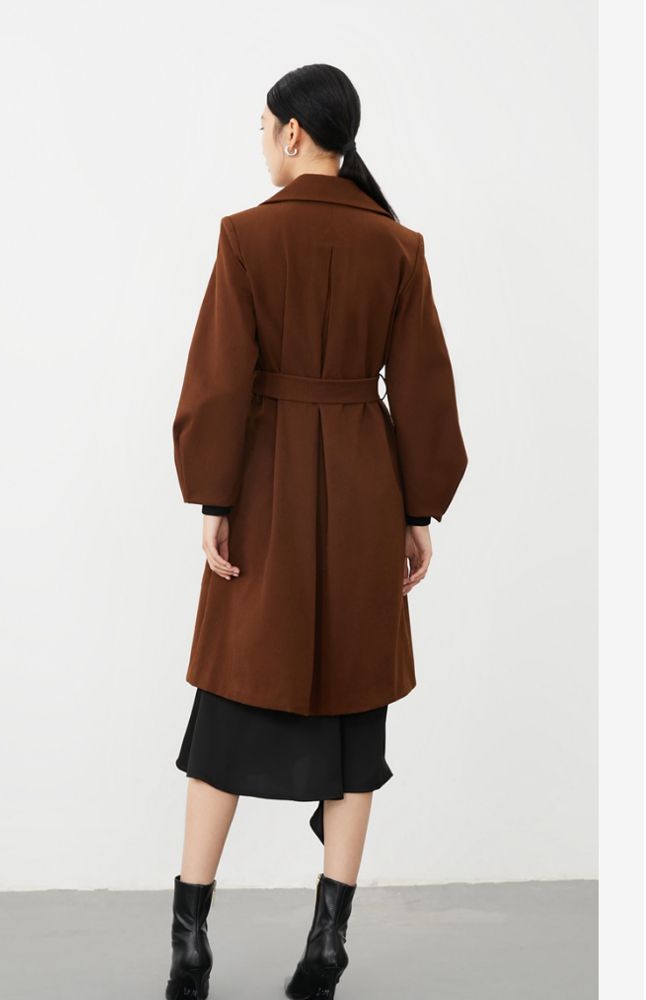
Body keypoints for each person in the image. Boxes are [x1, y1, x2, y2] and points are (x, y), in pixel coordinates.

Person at [166, 63, 468, 1000]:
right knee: (355, 722)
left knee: (224, 709)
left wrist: (214, 498)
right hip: (366, 496)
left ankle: (189, 943)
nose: (262, 144)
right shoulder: (399, 245)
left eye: (264, 128)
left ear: (294, 133)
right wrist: (416, 510)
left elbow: (218, 379)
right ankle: (326, 949)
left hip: (265, 497)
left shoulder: (247, 236)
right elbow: (423, 389)